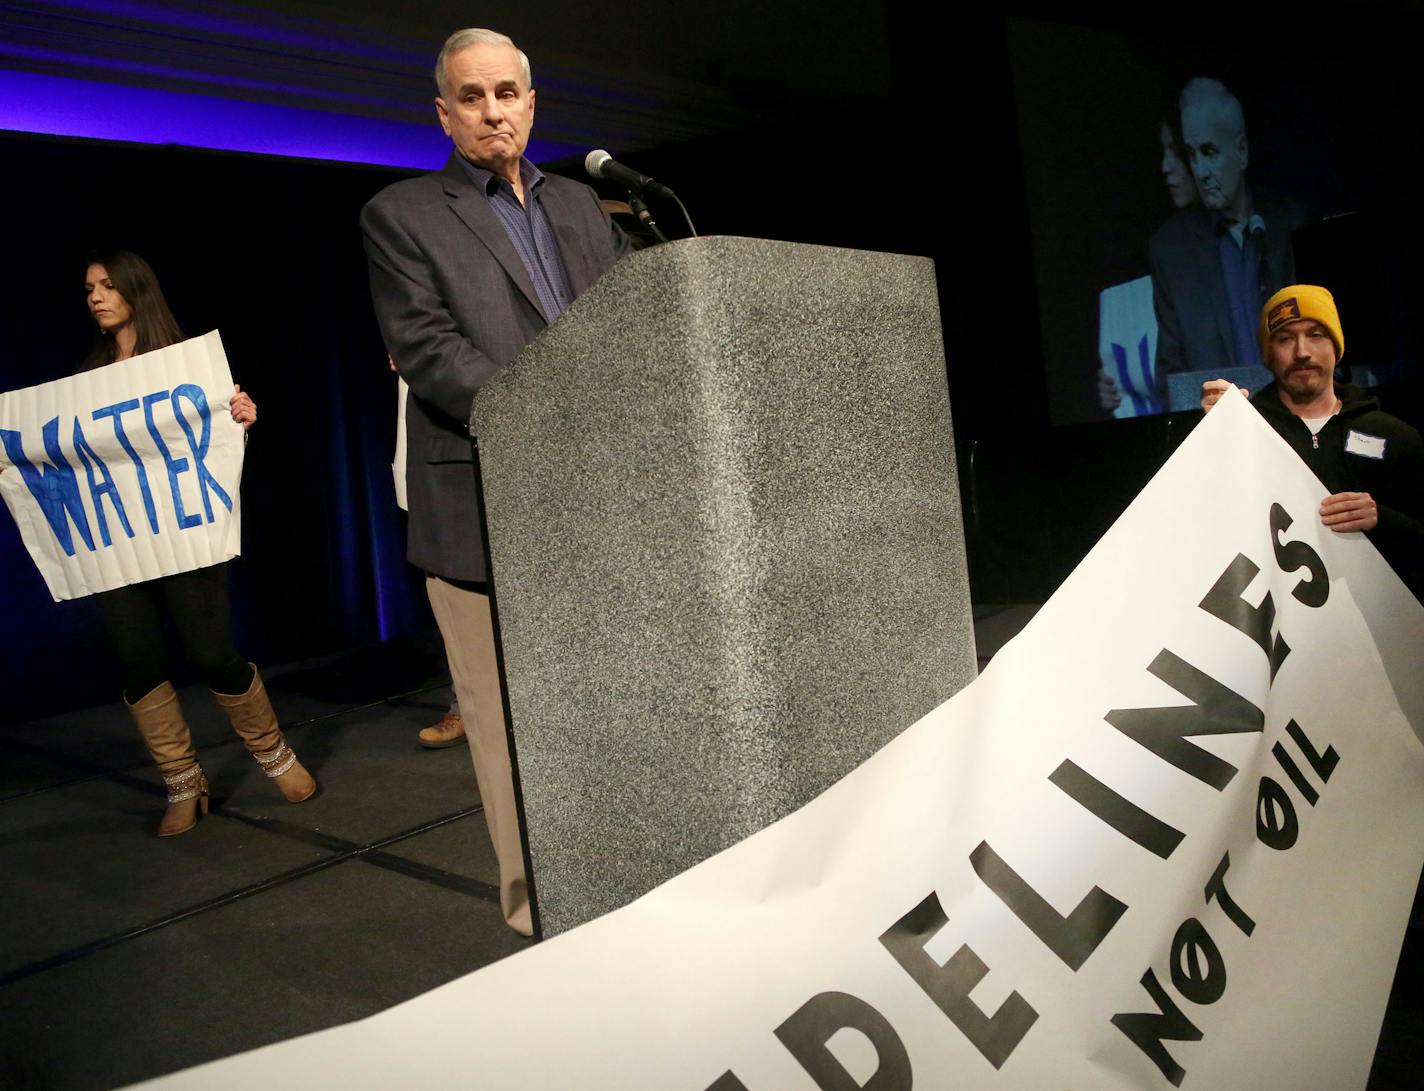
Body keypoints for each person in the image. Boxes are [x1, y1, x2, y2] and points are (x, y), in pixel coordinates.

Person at [360, 28, 628, 936]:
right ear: (444, 112)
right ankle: (536, 910)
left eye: (506, 92)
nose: (493, 111)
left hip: (598, 496)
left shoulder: (587, 206)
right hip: (478, 500)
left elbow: (629, 323)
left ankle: (621, 870)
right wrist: (549, 411)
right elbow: (429, 351)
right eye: (471, 97)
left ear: (531, 101)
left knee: (606, 700)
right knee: (506, 725)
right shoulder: (401, 214)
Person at [80, 251, 317, 835]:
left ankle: (272, 752)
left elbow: (213, 442)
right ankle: (183, 780)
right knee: (138, 660)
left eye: (108, 285)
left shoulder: (187, 364)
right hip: (119, 540)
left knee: (211, 652)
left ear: (137, 289)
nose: (96, 297)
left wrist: (238, 416)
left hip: (184, 533)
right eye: (89, 289)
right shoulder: (87, 376)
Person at [1201, 284, 1424, 596]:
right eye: (1284, 338)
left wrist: (1382, 519)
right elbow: (1204, 531)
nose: (1301, 352)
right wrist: (1215, 434)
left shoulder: (1394, 435)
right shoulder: (1248, 432)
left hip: (1385, 631)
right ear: (1269, 355)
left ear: (1336, 346)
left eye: (1316, 334)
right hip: (1281, 633)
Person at [1151, 78, 1308, 388]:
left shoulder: (1291, 223)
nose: (1201, 171)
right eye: (1192, 155)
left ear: (1242, 150)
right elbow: (1171, 371)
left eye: (1209, 152)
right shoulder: (1171, 250)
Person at [1097, 112, 1200, 412]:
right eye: (1163, 151)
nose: (1166, 167)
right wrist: (1120, 378)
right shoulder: (1163, 245)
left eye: (1175, 152)